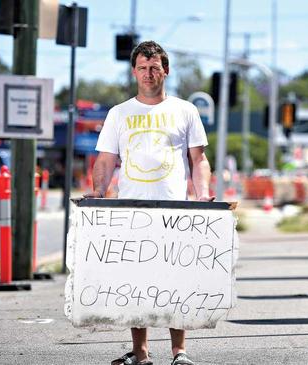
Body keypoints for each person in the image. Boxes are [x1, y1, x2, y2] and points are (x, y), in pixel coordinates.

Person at [87, 40, 213, 365]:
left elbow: (198, 159)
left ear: (165, 70)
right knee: (135, 285)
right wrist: (98, 192)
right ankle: (140, 353)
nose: (148, 74)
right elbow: (105, 159)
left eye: (154, 67)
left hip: (174, 210)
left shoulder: (185, 110)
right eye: (142, 68)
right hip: (132, 211)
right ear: (134, 72)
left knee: (175, 281)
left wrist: (202, 194)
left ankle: (179, 353)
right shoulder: (119, 114)